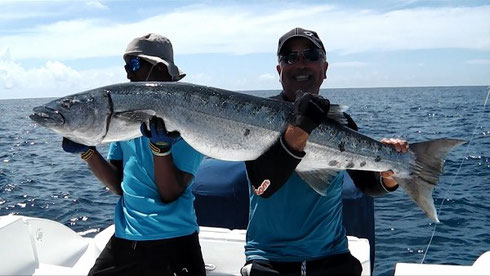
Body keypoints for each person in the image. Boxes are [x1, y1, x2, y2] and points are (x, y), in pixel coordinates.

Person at [241, 27, 408, 276]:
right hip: (269, 259)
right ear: (279, 70)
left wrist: (389, 173)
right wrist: (302, 126)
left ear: (325, 69)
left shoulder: (341, 121)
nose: (300, 64)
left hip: (333, 256)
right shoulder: (256, 117)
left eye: (310, 55)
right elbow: (264, 185)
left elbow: (367, 185)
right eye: (290, 57)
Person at [62, 33, 206, 276]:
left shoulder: (191, 118)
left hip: (175, 240)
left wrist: (161, 150)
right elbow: (119, 185)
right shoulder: (124, 120)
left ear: (160, 69)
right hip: (126, 238)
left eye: (135, 65)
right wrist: (88, 152)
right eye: (126, 66)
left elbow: (170, 192)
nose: (128, 73)